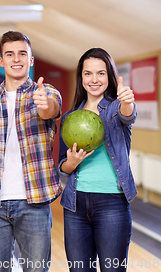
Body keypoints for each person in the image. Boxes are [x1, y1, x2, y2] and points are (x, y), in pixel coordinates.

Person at [0, 31, 62, 272]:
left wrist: (44, 104)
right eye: (10, 54)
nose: (16, 59)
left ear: (31, 60)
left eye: (22, 54)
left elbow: (50, 110)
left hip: (35, 204)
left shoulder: (45, 92)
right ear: (1, 60)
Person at [58, 47, 136, 272]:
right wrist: (72, 162)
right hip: (75, 205)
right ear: (81, 77)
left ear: (109, 76)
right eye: (88, 73)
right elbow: (64, 165)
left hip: (112, 204)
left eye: (101, 73)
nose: (94, 79)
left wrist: (127, 100)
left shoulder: (115, 109)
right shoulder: (70, 118)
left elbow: (128, 115)